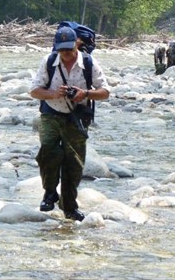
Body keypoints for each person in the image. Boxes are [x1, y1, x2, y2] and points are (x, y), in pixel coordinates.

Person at [30, 27, 110, 221]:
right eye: (62, 50)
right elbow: (34, 91)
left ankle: (69, 207)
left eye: (69, 49)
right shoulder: (49, 62)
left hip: (77, 117)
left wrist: (85, 94)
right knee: (48, 151)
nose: (65, 54)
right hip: (51, 114)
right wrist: (53, 94)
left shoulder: (89, 63)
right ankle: (49, 193)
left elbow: (105, 92)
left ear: (77, 44)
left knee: (73, 163)